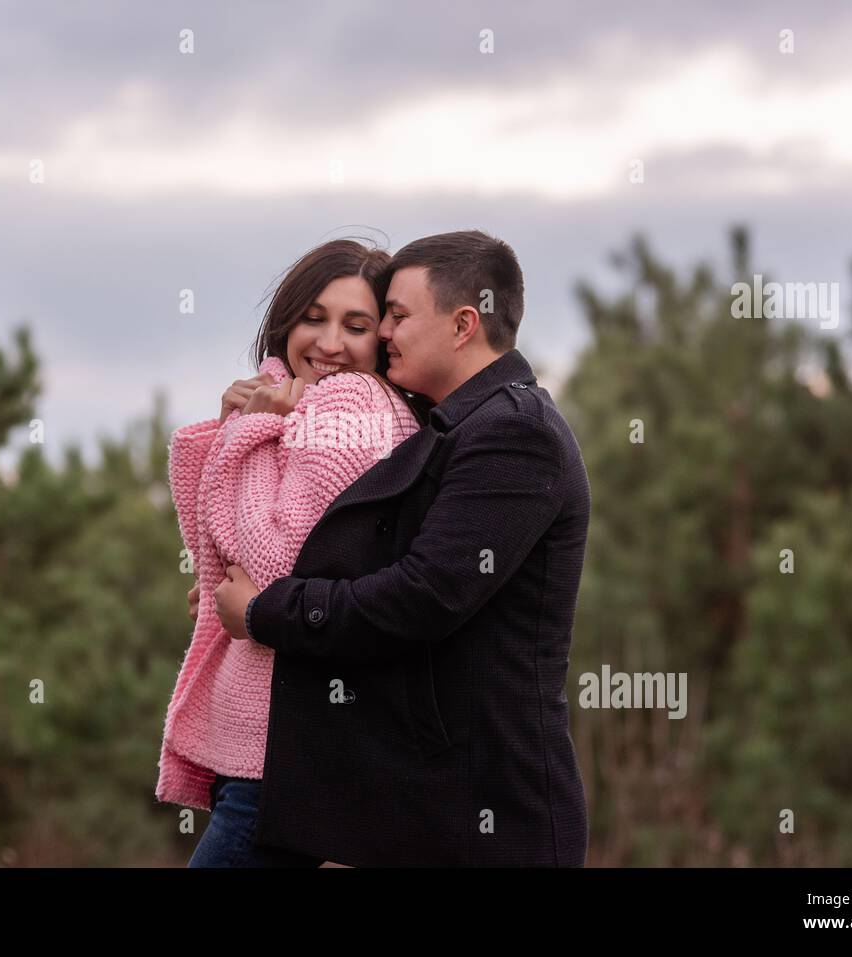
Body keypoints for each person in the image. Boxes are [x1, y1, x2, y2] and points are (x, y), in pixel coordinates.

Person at [215, 230, 592, 866]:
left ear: (464, 323)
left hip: (496, 818)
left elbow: (423, 596)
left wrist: (264, 612)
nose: (383, 333)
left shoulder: (513, 436)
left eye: (397, 315)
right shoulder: (452, 428)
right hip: (438, 808)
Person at [156, 239, 426, 867]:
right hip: (264, 748)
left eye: (355, 326)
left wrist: (250, 430)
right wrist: (246, 422)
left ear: (382, 338)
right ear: (286, 320)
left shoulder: (352, 405)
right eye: (314, 317)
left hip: (280, 753)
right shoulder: (305, 403)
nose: (330, 343)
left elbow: (276, 565)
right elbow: (218, 554)